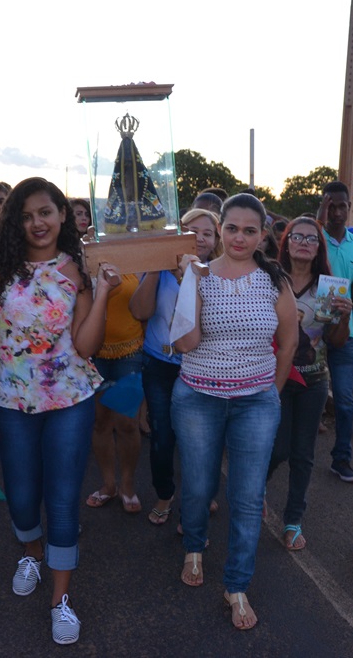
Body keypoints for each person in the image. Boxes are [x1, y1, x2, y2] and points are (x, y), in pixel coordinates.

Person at [0, 177, 118, 646]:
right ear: (15, 221)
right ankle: (31, 551)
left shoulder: (78, 270)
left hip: (70, 399)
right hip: (11, 402)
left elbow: (87, 345)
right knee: (20, 493)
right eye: (27, 215)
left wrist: (105, 293)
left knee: (62, 496)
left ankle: (60, 599)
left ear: (62, 216)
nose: (37, 222)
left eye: (46, 212)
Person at [171, 193, 297, 631]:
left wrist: (272, 392)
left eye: (249, 230)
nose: (239, 237)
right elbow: (185, 344)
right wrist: (189, 283)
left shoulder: (274, 279)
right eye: (231, 228)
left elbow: (290, 338)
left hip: (256, 400)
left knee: (247, 497)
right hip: (198, 395)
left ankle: (237, 585)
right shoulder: (198, 274)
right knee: (199, 483)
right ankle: (194, 545)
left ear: (263, 234)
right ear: (219, 229)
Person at [129, 208, 223, 526]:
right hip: (159, 365)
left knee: (201, 441)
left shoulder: (219, 274)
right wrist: (156, 268)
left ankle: (196, 503)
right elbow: (140, 312)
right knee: (163, 437)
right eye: (190, 231)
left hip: (201, 367)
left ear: (215, 241)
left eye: (206, 233)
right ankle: (165, 493)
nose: (198, 238)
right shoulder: (157, 270)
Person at [266, 216, 350, 551]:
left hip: (314, 379)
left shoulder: (329, 287)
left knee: (303, 454)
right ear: (285, 242)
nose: (303, 242)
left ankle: (293, 520)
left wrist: (344, 316)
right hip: (275, 376)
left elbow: (337, 341)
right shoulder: (270, 278)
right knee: (278, 447)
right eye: (296, 236)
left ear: (319, 247)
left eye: (311, 239)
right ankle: (256, 491)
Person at [317, 181, 353, 483]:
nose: (337, 212)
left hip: (344, 333)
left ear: (350, 207)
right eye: (330, 205)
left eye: (342, 205)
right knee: (306, 395)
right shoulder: (314, 238)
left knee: (345, 400)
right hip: (312, 330)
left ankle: (342, 458)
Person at [84, 271, 145, 514]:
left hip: (129, 354)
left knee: (128, 423)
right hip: (93, 354)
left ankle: (127, 485)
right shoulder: (81, 254)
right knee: (100, 423)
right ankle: (109, 484)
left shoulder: (135, 257)